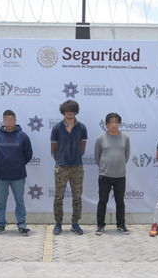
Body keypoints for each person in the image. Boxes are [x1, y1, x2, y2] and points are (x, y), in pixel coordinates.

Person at [0, 110, 33, 236]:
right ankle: (0, 225)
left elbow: (28, 154)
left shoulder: (23, 136)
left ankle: (22, 225)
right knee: (1, 203)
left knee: (20, 202)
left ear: (15, 120)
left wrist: (18, 164)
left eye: (11, 119)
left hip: (18, 176)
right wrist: (3, 163)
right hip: (1, 175)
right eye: (6, 119)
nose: (8, 121)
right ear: (3, 121)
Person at [50, 99, 88, 235]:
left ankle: (75, 223)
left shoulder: (82, 128)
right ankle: (58, 223)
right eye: (67, 110)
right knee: (58, 197)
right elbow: (53, 150)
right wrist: (62, 161)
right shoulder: (56, 128)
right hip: (61, 167)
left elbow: (82, 149)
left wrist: (74, 159)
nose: (69, 113)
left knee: (77, 197)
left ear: (76, 112)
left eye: (72, 110)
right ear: (63, 112)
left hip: (77, 167)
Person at [94, 112, 131, 235]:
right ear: (106, 124)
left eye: (116, 122)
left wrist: (118, 166)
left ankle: (121, 225)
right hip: (104, 175)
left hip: (120, 176)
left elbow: (126, 155)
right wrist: (104, 167)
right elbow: (97, 156)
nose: (114, 125)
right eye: (111, 122)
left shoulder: (125, 138)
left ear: (119, 124)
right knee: (102, 202)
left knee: (120, 202)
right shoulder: (100, 138)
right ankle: (100, 225)